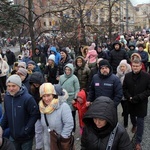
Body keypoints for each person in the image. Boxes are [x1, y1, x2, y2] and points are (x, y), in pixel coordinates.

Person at [0, 74, 40, 150]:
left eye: (13, 86)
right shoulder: (7, 98)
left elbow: (34, 115)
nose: (11, 88)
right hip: (13, 136)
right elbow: (6, 114)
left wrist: (26, 130)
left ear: (19, 85)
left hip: (26, 138)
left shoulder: (28, 98)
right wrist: (1, 126)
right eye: (8, 86)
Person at [123, 58, 150, 150]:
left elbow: (148, 90)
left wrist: (139, 97)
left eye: (137, 66)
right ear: (131, 65)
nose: (135, 68)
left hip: (141, 102)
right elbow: (124, 89)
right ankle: (134, 125)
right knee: (132, 116)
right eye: (133, 66)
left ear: (141, 66)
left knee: (140, 121)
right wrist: (129, 97)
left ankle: (138, 141)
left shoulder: (147, 76)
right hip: (130, 101)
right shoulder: (127, 76)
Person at [39, 83, 74, 150]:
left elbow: (69, 124)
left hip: (60, 143)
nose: (46, 99)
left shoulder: (63, 106)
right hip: (48, 143)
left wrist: (62, 139)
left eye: (48, 95)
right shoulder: (42, 107)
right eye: (44, 96)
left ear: (53, 94)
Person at [59, 63, 80, 133]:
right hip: (63, 98)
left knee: (72, 115)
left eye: (69, 70)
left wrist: (75, 99)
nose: (67, 71)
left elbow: (77, 89)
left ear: (72, 70)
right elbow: (59, 87)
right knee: (63, 115)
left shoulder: (74, 78)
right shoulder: (61, 77)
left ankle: (73, 130)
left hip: (71, 99)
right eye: (66, 70)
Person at [29, 72, 45, 150]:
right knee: (38, 131)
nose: (35, 84)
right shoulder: (31, 89)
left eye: (36, 82)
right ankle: (39, 147)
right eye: (33, 82)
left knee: (46, 131)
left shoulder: (45, 88)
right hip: (36, 114)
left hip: (45, 113)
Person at [116, 59, 132, 128]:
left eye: (123, 66)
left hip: (127, 94)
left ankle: (126, 123)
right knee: (123, 107)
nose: (122, 68)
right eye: (121, 66)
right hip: (120, 94)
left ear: (126, 67)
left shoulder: (130, 74)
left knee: (126, 110)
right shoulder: (117, 74)